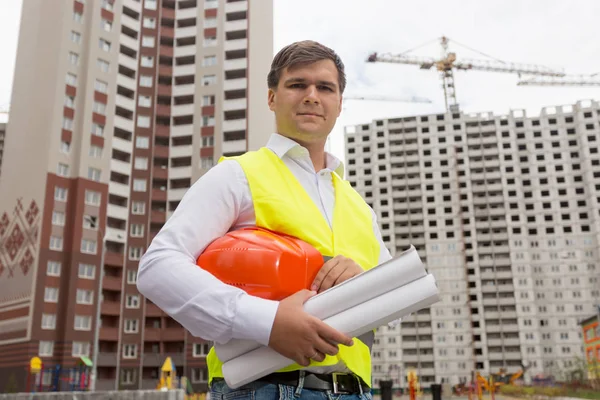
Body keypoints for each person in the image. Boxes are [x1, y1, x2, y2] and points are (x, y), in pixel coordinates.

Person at [137, 40, 392, 400]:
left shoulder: (360, 208)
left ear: (339, 103)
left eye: (325, 87)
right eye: (297, 84)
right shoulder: (238, 174)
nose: (312, 96)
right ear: (272, 98)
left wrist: (361, 282)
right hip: (262, 389)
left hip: (356, 392)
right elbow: (158, 266)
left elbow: (394, 306)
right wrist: (267, 322)